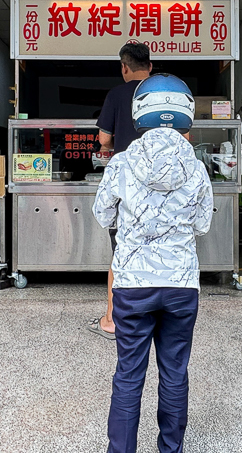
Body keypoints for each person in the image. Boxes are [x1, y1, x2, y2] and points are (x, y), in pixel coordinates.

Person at [92, 74, 212, 453]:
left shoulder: (122, 164)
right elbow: (203, 225)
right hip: (180, 285)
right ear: (186, 114)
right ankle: (170, 449)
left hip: (132, 284)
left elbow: (101, 215)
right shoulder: (197, 168)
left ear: (139, 111)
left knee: (129, 374)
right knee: (175, 372)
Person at [88, 43, 152, 339]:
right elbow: (187, 136)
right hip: (164, 187)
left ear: (124, 67)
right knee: (158, 250)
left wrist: (113, 145)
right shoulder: (165, 95)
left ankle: (113, 320)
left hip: (128, 186)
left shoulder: (116, 94)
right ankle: (154, 318)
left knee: (122, 250)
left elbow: (103, 139)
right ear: (150, 67)